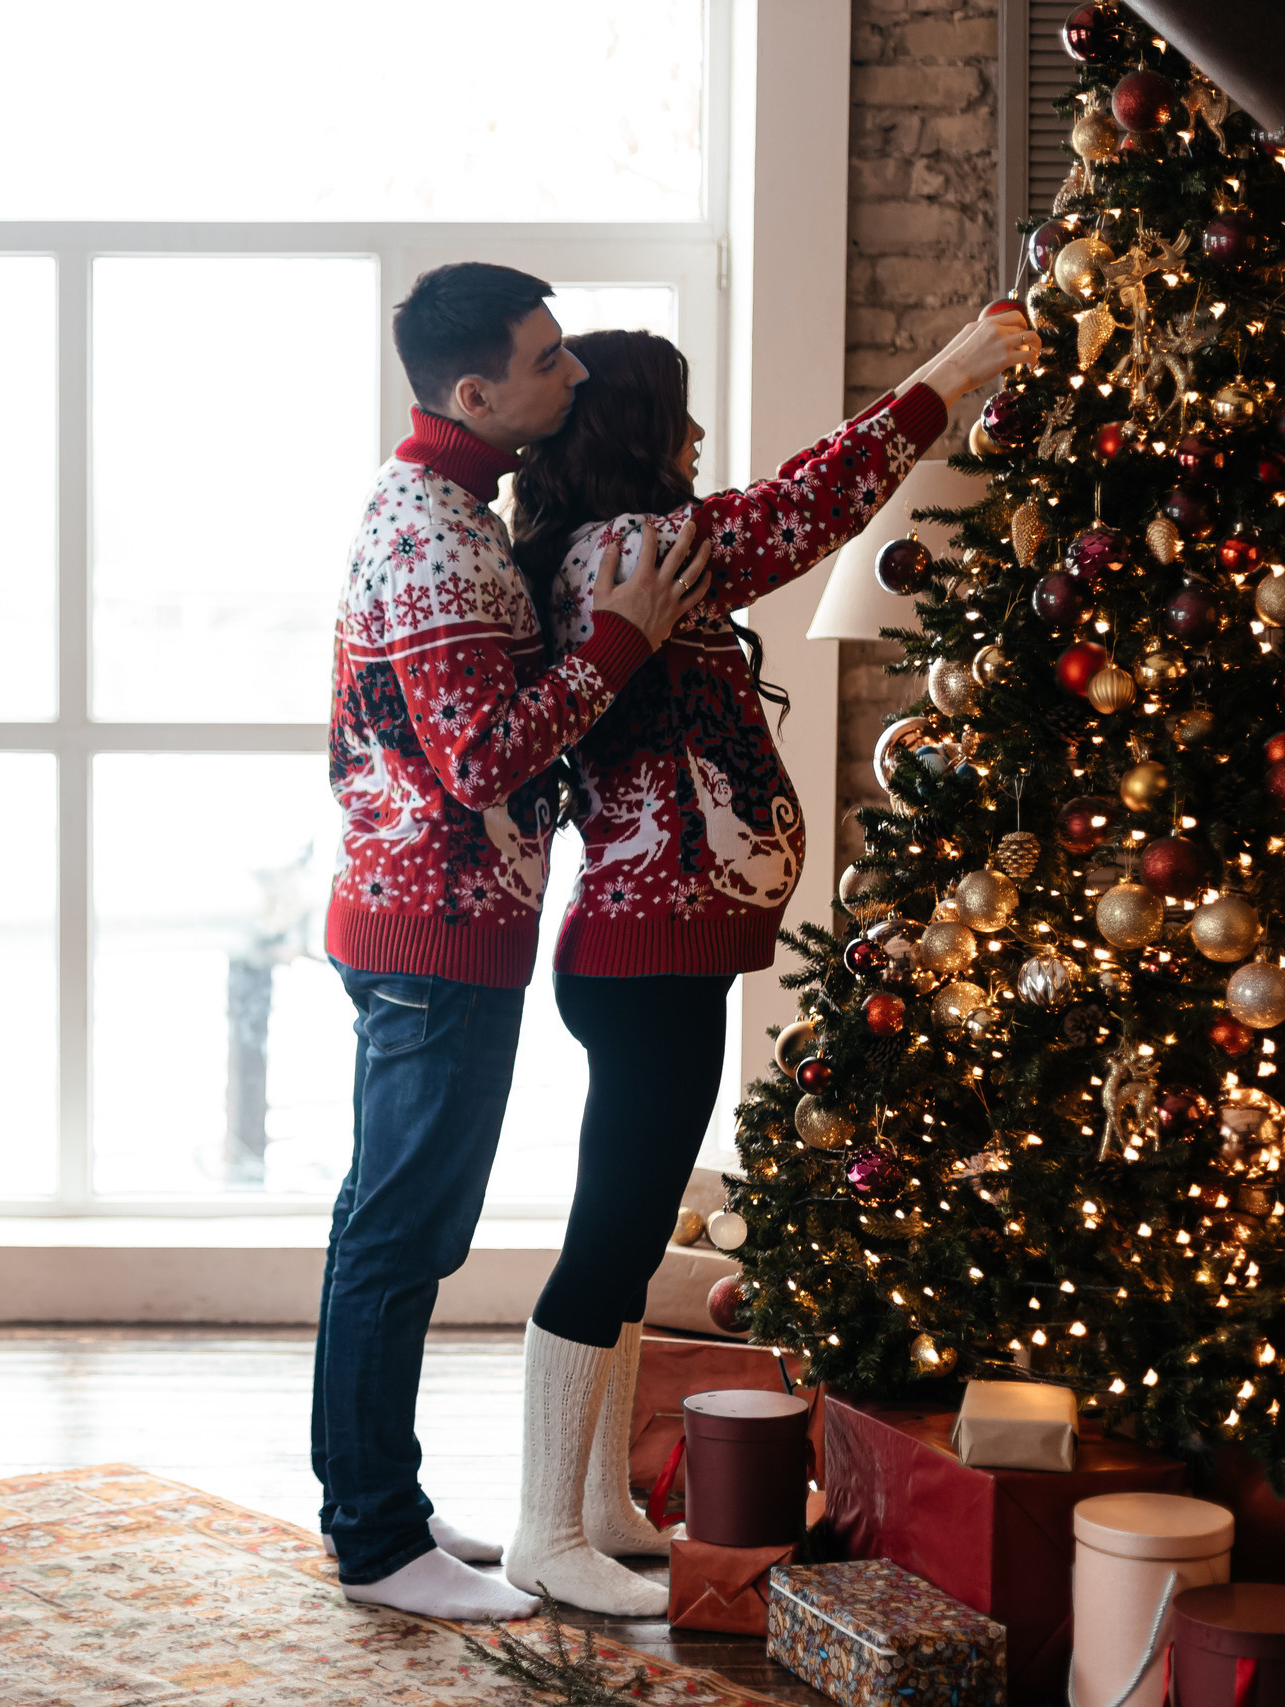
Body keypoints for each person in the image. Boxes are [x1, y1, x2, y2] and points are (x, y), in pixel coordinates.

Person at [497, 309, 1036, 1613]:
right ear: (634, 427)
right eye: (675, 411)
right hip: (641, 956)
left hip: (650, 950)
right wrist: (953, 377)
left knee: (626, 1232)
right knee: (611, 1230)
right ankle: (541, 1534)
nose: (692, 435)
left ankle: (594, 1506)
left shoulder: (613, 552)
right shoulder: (636, 545)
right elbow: (811, 502)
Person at [316, 262, 713, 1622]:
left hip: (443, 929)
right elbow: (483, 758)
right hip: (431, 937)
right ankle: (375, 1543)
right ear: (477, 393)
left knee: (394, 1227)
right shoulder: (433, 532)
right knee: (401, 1236)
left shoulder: (449, 510)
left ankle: (386, 1498)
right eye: (551, 360)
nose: (578, 375)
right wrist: (615, 639)